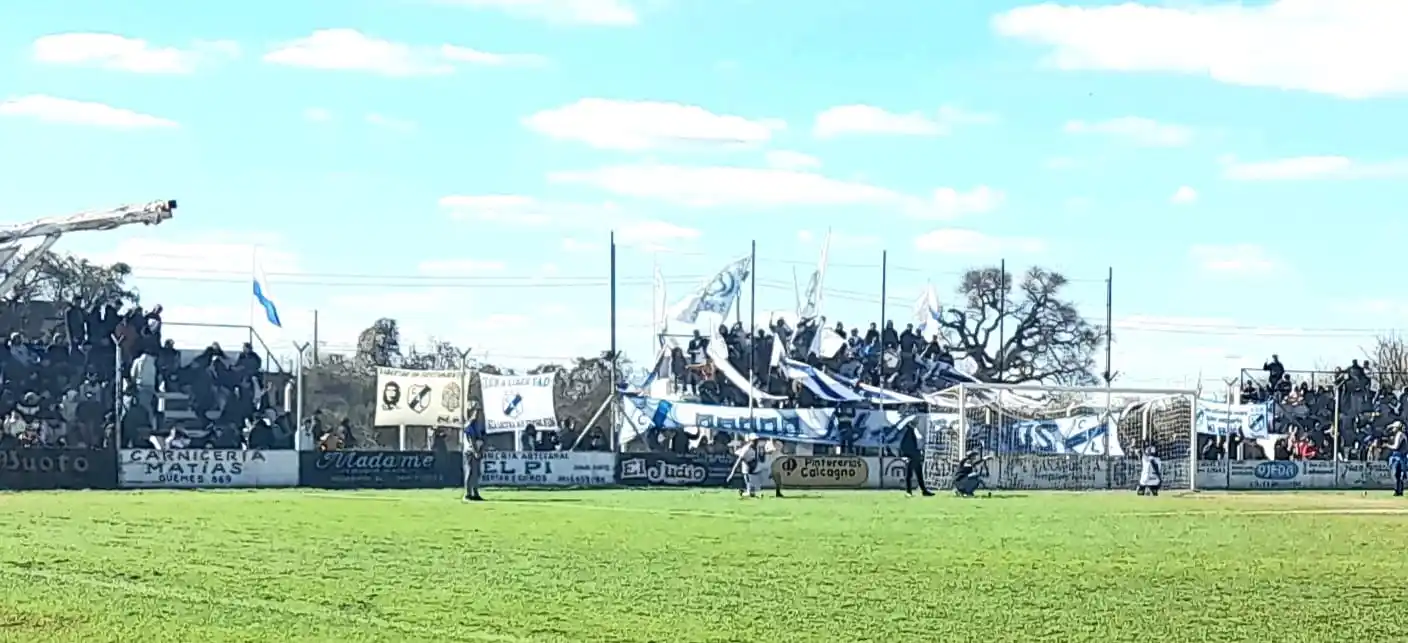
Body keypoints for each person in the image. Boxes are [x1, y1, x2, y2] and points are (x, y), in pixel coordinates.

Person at [897, 423, 934, 497]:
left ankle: (922, 491)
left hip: (914, 455)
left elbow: (913, 443)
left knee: (918, 474)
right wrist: (904, 455)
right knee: (910, 474)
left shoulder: (909, 432)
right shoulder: (907, 432)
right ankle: (909, 492)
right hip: (911, 456)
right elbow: (904, 445)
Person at [462, 406, 487, 502]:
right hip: (470, 452)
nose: (478, 416)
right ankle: (467, 494)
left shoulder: (478, 425)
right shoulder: (470, 425)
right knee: (470, 471)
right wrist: (476, 451)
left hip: (477, 451)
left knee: (477, 473)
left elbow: (482, 437)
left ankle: (475, 493)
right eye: (476, 413)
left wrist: (481, 449)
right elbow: (471, 439)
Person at [1389, 422, 1407, 498]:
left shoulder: (1399, 434)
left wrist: (1387, 445)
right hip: (1401, 457)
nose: (1393, 429)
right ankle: (1399, 490)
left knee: (1396, 474)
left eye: (1394, 428)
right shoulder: (1402, 434)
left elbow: (1396, 447)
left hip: (1398, 457)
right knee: (1399, 475)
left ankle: (1398, 490)